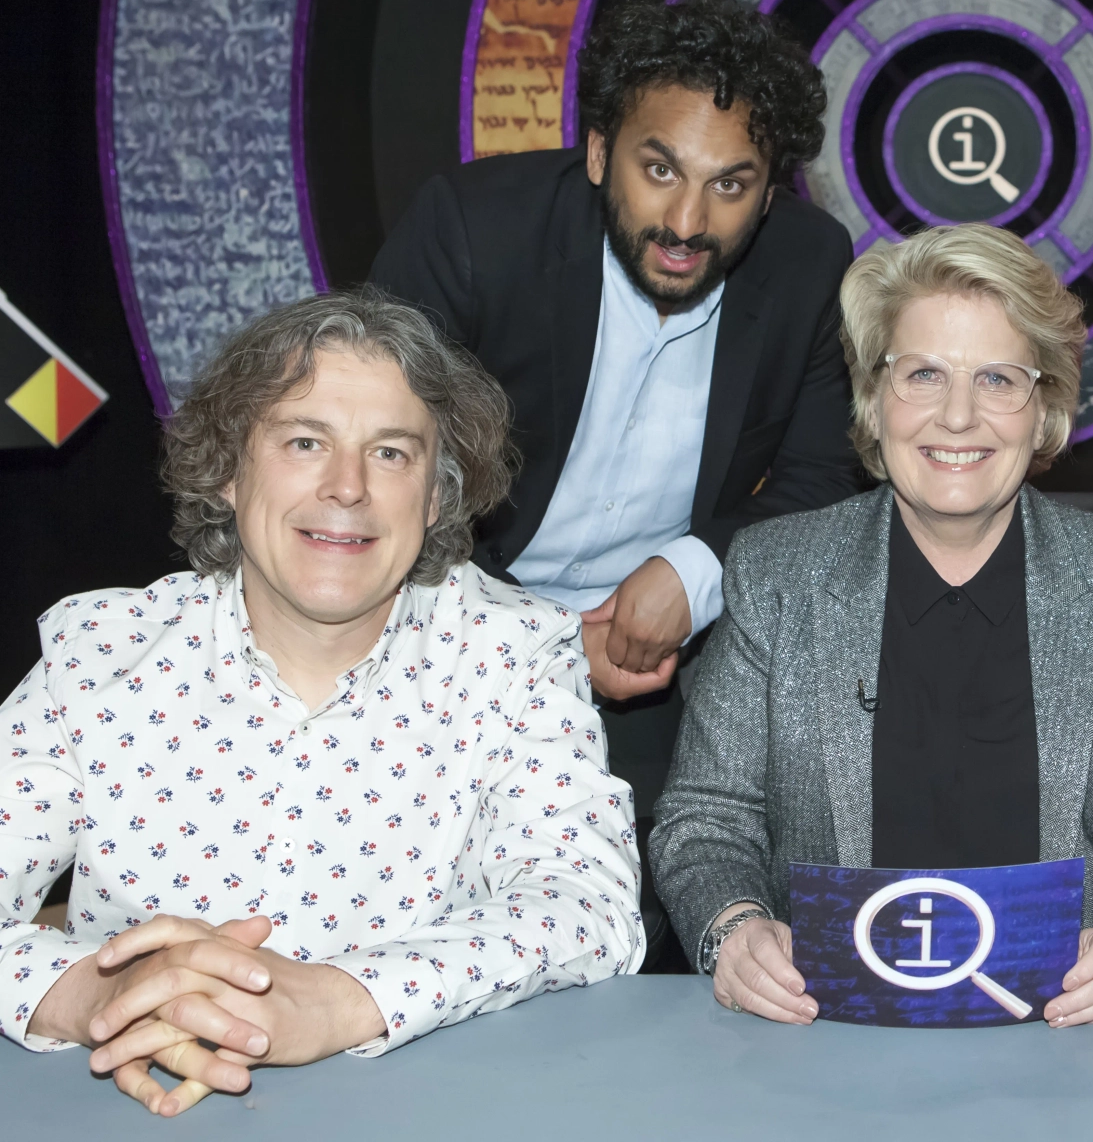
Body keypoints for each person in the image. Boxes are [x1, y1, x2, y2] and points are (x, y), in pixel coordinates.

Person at [0, 295, 644, 1114]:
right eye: (306, 443)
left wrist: (333, 1000)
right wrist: (96, 998)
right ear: (230, 472)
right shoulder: (99, 652)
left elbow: (586, 903)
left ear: (438, 497)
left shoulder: (513, 655)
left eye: (391, 454)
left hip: (435, 1116)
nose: (347, 488)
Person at [648, 225, 1093, 1027]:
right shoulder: (776, 573)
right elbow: (706, 817)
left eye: (997, 378)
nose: (958, 416)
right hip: (823, 1040)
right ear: (874, 397)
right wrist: (735, 931)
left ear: (1046, 404)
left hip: (1070, 1045)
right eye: (923, 374)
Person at [372, 0, 863, 815]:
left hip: (662, 668)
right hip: (440, 628)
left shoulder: (810, 266)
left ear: (772, 194)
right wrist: (545, 646)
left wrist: (693, 571)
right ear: (600, 152)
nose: (685, 221)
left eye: (730, 185)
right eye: (659, 169)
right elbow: (375, 469)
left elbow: (824, 479)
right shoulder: (474, 233)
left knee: (664, 891)